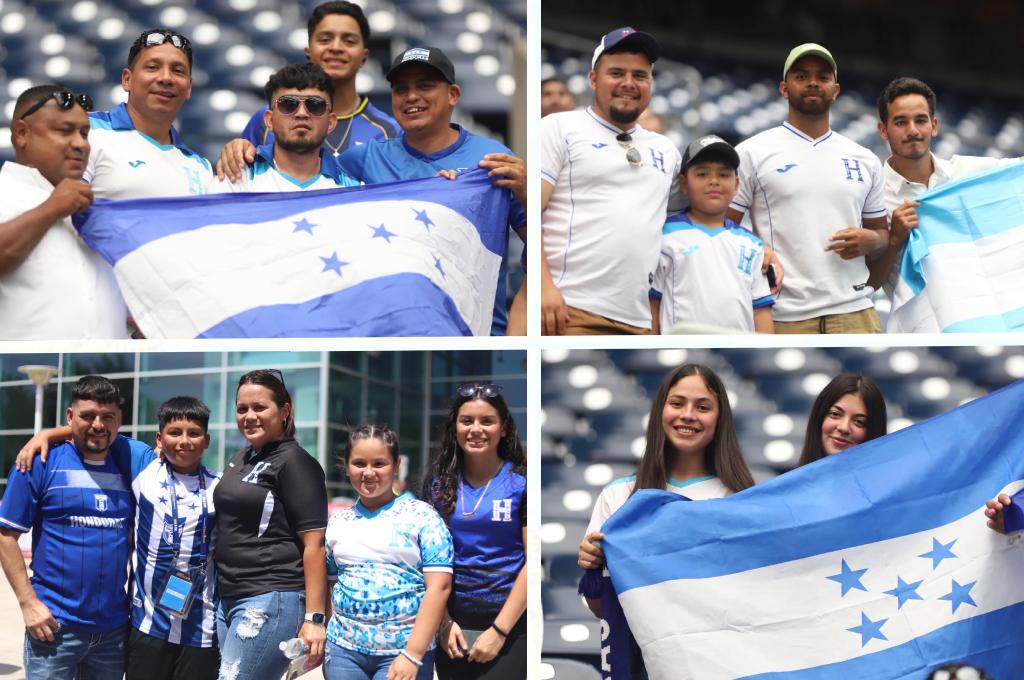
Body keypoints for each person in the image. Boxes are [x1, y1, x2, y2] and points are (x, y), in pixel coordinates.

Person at [16, 396, 222, 680]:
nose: (184, 441)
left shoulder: (219, 486)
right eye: (175, 433)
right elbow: (98, 430)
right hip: (147, 626)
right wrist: (47, 433)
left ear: (207, 440)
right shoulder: (143, 465)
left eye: (194, 434)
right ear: (159, 439)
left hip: (202, 628)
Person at [336, 45, 527, 336]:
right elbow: (301, 178)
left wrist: (520, 327)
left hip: (475, 331)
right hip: (390, 330)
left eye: (425, 86)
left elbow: (541, 242)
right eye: (401, 89)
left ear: (453, 95)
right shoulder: (364, 159)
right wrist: (250, 150)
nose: (412, 96)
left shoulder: (491, 157)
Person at [726, 43, 890, 334]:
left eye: (823, 76)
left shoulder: (865, 159)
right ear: (784, 88)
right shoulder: (752, 152)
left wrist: (872, 241)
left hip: (855, 312)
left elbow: (881, 235)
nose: (813, 83)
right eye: (801, 76)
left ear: (836, 90)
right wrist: (756, 247)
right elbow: (722, 226)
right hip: (783, 314)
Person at [541, 27, 682, 335]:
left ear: (651, 83)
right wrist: (542, 287)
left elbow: (690, 220)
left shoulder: (666, 150)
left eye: (640, 75)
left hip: (641, 318)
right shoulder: (559, 127)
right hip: (570, 309)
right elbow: (529, 212)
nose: (629, 84)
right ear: (593, 79)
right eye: (616, 73)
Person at [0, 376, 139, 679]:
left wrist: (48, 432)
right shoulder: (40, 462)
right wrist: (28, 603)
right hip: (53, 627)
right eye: (87, 415)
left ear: (120, 420)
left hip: (113, 632)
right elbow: (5, 535)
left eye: (107, 417)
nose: (98, 424)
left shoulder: (130, 464)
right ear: (70, 416)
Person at [577, 363, 755, 590]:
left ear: (720, 419)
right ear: (660, 410)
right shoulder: (617, 495)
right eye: (677, 404)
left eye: (702, 407)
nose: (688, 415)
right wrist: (592, 565)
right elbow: (602, 608)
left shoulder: (740, 500)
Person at [870, 77, 1022, 322]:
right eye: (900, 122)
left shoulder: (968, 172)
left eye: (921, 120)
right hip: (924, 331)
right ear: (883, 130)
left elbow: (1019, 174)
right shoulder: (870, 196)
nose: (912, 131)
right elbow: (868, 284)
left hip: (986, 319)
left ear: (934, 125)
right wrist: (895, 240)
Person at [213, 369, 328, 680]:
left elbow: (314, 544)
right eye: (242, 409)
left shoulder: (296, 462)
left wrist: (315, 619)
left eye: (259, 407)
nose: (249, 416)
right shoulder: (241, 457)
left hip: (269, 597)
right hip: (229, 598)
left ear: (285, 410)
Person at [324, 425, 452, 680]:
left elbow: (440, 588)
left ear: (395, 466)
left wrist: (413, 654)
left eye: (379, 464)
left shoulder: (423, 516)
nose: (368, 472)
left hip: (404, 654)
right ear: (347, 467)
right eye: (359, 463)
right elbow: (331, 583)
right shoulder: (338, 522)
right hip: (343, 653)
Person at [0, 84, 129, 339]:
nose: (80, 144)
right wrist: (52, 208)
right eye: (65, 131)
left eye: (85, 133)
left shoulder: (93, 208)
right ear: (23, 133)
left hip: (104, 367)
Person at [216, 0, 398, 178]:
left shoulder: (388, 131)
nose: (336, 47)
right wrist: (234, 150)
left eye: (349, 41)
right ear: (308, 51)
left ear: (364, 56)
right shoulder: (268, 119)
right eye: (325, 39)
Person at [422, 383, 526, 679]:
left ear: (503, 428)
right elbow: (427, 559)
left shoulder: (523, 482)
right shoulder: (437, 483)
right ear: (454, 427)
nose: (476, 429)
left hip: (510, 628)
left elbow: (533, 564)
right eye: (467, 420)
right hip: (451, 628)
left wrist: (499, 631)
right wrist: (442, 623)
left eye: (487, 421)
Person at [650, 135, 774, 333]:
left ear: (736, 185)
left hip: (740, 351)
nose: (714, 181)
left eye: (724, 175)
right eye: (702, 174)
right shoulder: (663, 237)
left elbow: (761, 312)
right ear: (683, 184)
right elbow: (653, 305)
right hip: (681, 348)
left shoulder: (753, 245)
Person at [86, 28, 212, 199]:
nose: (166, 78)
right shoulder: (85, 132)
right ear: (127, 80)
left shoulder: (201, 167)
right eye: (153, 67)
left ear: (189, 87)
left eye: (178, 71)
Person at [208, 63, 360, 193]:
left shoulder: (351, 190)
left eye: (315, 105)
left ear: (331, 122)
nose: (301, 113)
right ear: (269, 120)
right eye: (288, 104)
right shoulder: (237, 178)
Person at [797, 373, 888, 466]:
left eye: (859, 421)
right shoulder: (791, 480)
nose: (844, 428)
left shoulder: (887, 480)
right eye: (835, 414)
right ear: (819, 417)